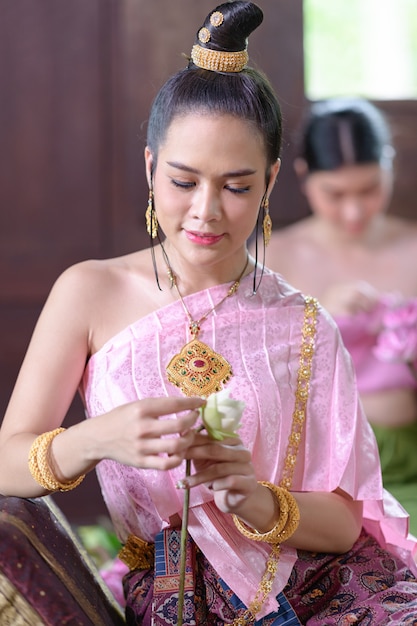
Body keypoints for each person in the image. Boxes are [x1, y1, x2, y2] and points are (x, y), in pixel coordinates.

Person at [1, 3, 417, 624]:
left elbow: (342, 523)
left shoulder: (304, 324)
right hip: (181, 592)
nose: (206, 211)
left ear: (272, 181)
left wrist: (256, 500)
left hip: (329, 584)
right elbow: (9, 460)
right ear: (150, 167)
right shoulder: (88, 293)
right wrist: (99, 437)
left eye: (237, 185)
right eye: (183, 180)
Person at [264, 97, 417, 538]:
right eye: (335, 194)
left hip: (408, 462)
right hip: (315, 476)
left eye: (369, 190)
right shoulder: (273, 258)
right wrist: (320, 317)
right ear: (302, 176)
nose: (354, 211)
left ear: (389, 166)